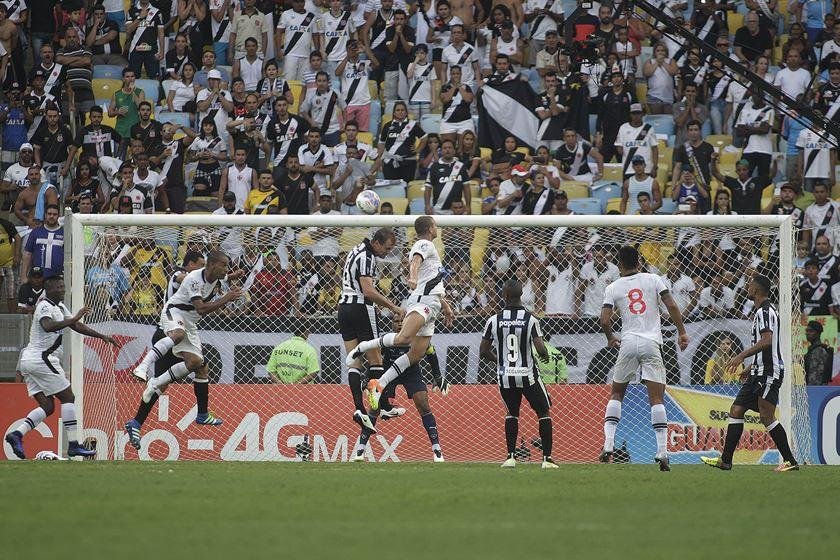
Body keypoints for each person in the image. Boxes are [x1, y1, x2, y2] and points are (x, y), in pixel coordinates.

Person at [347, 216, 455, 414]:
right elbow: (415, 260)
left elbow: (432, 282)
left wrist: (445, 305)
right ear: (431, 228)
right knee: (403, 338)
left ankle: (378, 384)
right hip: (422, 303)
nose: (437, 227)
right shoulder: (424, 243)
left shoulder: (431, 249)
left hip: (433, 303)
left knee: (415, 354)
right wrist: (412, 276)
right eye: (435, 225)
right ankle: (365, 346)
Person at [5, 275, 119, 459]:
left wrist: (101, 336)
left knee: (48, 406)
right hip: (41, 359)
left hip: (32, 362)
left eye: (63, 286)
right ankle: (74, 445)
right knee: (68, 396)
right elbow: (48, 326)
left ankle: (16, 434)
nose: (62, 289)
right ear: (48, 289)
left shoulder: (59, 307)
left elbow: (77, 326)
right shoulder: (44, 306)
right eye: (58, 287)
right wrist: (74, 318)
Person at [599, 245, 689, 471]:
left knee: (617, 393)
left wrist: (611, 338)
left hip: (628, 342)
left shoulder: (613, 287)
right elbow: (672, 305)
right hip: (651, 342)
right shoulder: (654, 279)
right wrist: (682, 332)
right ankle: (662, 451)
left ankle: (608, 443)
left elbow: (604, 320)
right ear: (639, 262)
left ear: (619, 264)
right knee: (657, 399)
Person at [701, 274, 800, 472]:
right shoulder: (764, 311)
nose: (747, 286)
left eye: (750, 284)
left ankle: (790, 461)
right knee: (736, 410)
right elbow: (765, 345)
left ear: (756, 290)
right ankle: (726, 460)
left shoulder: (765, 312)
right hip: (759, 370)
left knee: (766, 416)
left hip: (769, 371)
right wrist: (751, 366)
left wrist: (741, 356)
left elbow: (767, 340)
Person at [129, 251, 242, 418]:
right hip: (173, 313)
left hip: (189, 323)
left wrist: (234, 275)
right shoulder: (191, 279)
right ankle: (142, 367)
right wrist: (226, 298)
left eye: (227, 266)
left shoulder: (215, 277)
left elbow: (224, 278)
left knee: (197, 362)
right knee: (178, 334)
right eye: (224, 265)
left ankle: (157, 386)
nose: (227, 269)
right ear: (210, 265)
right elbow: (201, 309)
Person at [479, 278, 556, 468]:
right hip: (527, 375)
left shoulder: (493, 320)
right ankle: (546, 459)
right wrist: (545, 356)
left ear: (504, 295)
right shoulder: (531, 319)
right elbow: (540, 348)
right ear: (521, 295)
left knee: (512, 413)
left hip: (506, 376)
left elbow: (483, 351)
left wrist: (501, 361)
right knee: (543, 412)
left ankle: (510, 457)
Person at [352, 314, 448, 463]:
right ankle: (360, 450)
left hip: (412, 372)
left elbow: (431, 353)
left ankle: (437, 450)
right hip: (390, 374)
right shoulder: (388, 339)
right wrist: (366, 379)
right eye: (396, 321)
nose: (400, 324)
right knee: (374, 407)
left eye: (403, 321)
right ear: (391, 324)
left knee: (423, 404)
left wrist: (437, 377)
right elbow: (375, 361)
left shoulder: (417, 338)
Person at [339, 228, 405, 432]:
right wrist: (393, 306)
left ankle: (359, 409)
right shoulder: (367, 257)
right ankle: (383, 404)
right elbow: (368, 291)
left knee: (354, 361)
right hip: (361, 307)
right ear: (376, 242)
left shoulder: (355, 250)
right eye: (386, 248)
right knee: (376, 359)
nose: (387, 253)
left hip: (344, 307)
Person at [376, 101, 426, 182]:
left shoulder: (413, 125)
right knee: (391, 187)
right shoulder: (387, 126)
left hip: (408, 163)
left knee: (406, 187)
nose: (400, 112)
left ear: (406, 112)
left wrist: (418, 149)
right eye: (398, 110)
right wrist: (380, 159)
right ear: (394, 112)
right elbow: (381, 143)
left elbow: (424, 138)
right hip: (390, 163)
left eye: (402, 110)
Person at [276, 0, 321, 81]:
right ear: (292, 3)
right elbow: (279, 31)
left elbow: (315, 35)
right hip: (290, 55)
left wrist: (317, 51)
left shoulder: (311, 16)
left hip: (306, 55)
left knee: (303, 82)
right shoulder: (286, 14)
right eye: (296, 2)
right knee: (288, 81)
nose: (299, 4)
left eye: (301, 2)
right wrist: (278, 50)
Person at [424, 138, 471, 215]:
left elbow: (466, 188)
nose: (447, 150)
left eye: (450, 148)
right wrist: (427, 206)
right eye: (445, 148)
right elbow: (428, 187)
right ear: (441, 151)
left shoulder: (461, 166)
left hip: (457, 210)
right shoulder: (434, 167)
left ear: (454, 150)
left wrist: (468, 206)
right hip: (438, 210)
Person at [125, 0, 165, 79]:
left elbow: (161, 33)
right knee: (133, 78)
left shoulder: (157, 12)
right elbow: (128, 30)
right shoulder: (131, 11)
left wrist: (162, 51)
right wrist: (140, 17)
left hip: (152, 50)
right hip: (135, 50)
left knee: (154, 78)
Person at [616, 103, 658, 178]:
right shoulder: (623, 127)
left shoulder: (648, 128)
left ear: (642, 114)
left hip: (646, 168)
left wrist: (654, 167)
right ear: (630, 115)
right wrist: (620, 149)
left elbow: (655, 149)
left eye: (638, 113)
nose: (636, 116)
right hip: (628, 168)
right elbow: (619, 145)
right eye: (634, 113)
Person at [804, 320, 833, 385]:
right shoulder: (813, 349)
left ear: (818, 333)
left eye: (811, 331)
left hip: (816, 389)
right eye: (807, 331)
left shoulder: (818, 351)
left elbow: (814, 378)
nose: (807, 333)